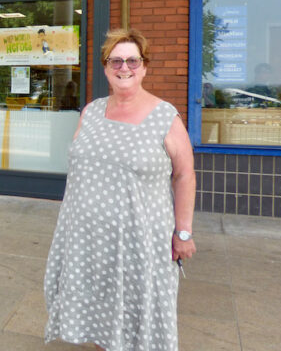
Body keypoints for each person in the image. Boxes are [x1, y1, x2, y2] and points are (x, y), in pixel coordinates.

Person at [45, 28, 196, 351]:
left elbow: (184, 175)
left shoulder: (165, 116)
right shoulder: (91, 111)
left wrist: (183, 233)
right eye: (115, 61)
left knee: (135, 314)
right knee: (101, 316)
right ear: (105, 67)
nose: (124, 68)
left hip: (139, 241)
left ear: (144, 67)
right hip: (88, 239)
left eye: (132, 61)